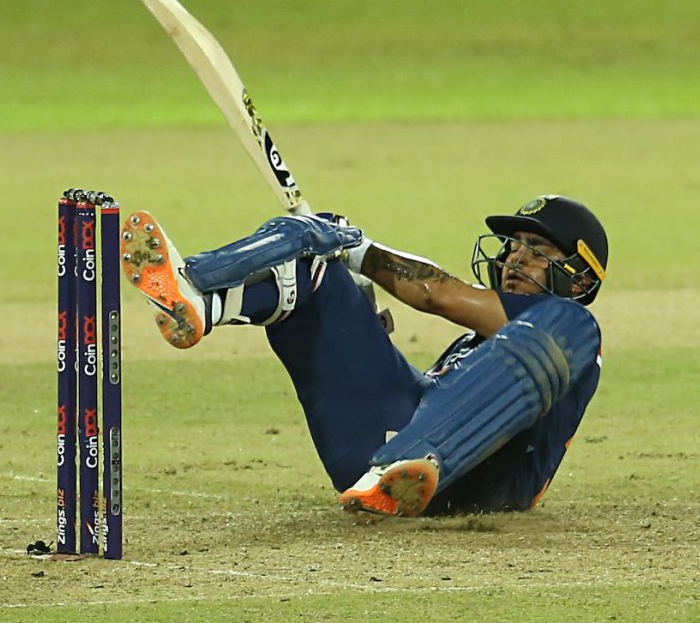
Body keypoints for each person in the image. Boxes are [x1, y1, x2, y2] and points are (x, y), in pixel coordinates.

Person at [119, 194, 608, 517]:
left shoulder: (567, 331)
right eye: (514, 245)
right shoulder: (477, 346)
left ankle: (411, 462)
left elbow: (437, 294)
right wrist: (364, 339)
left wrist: (358, 247)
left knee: (576, 325)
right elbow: (432, 396)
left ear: (581, 278)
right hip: (385, 458)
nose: (517, 257)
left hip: (480, 487)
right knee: (315, 266)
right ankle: (196, 298)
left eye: (538, 249)